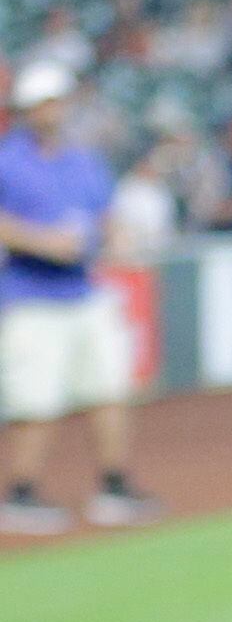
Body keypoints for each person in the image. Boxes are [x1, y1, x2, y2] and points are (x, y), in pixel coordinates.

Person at [0, 58, 155, 532]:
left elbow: (107, 216)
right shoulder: (8, 159)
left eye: (58, 101)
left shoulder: (82, 161)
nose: (54, 110)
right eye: (45, 103)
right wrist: (42, 241)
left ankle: (113, 483)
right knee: (36, 401)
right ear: (27, 109)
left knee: (109, 388)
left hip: (83, 289)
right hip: (30, 294)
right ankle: (20, 492)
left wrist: (119, 238)